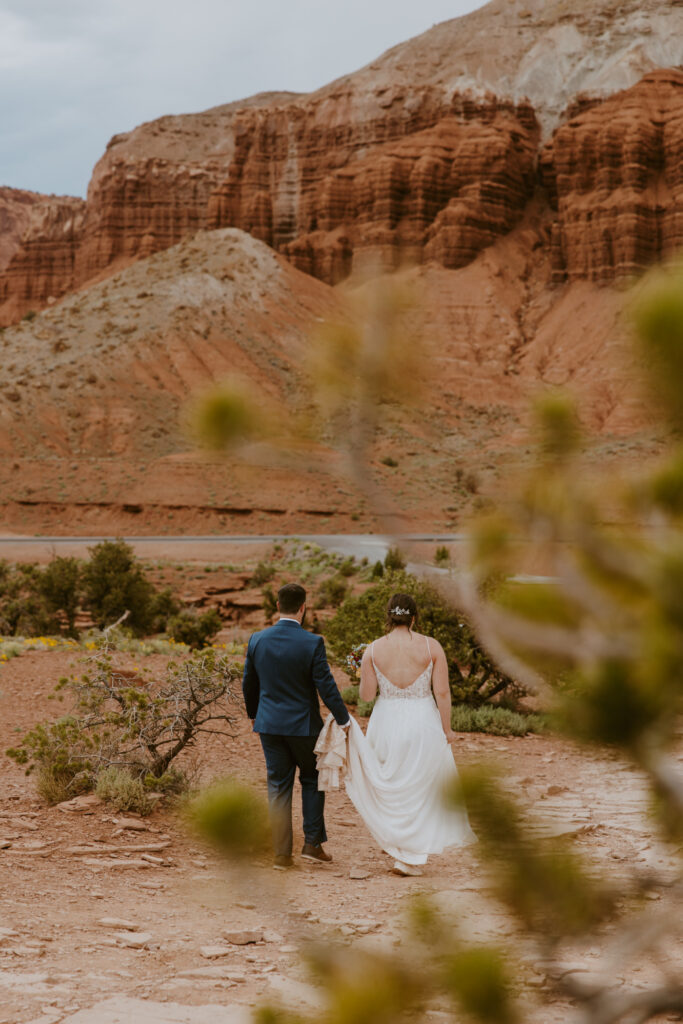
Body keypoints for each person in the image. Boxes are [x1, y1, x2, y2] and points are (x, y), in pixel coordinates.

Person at [344, 592, 476, 876]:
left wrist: (360, 672)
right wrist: (447, 729)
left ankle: (403, 851)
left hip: (387, 722)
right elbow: (441, 692)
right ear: (414, 617)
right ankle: (410, 856)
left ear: (388, 617)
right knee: (420, 786)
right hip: (423, 720)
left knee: (393, 785)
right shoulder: (432, 647)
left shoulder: (373, 650)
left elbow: (366, 696)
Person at [242, 582, 351, 869]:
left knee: (278, 786)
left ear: (277, 606)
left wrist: (254, 714)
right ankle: (312, 845)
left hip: (269, 726)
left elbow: (249, 683)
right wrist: (343, 719)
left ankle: (281, 854)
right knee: (313, 781)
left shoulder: (257, 639)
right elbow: (326, 687)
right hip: (304, 727)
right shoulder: (312, 642)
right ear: (304, 607)